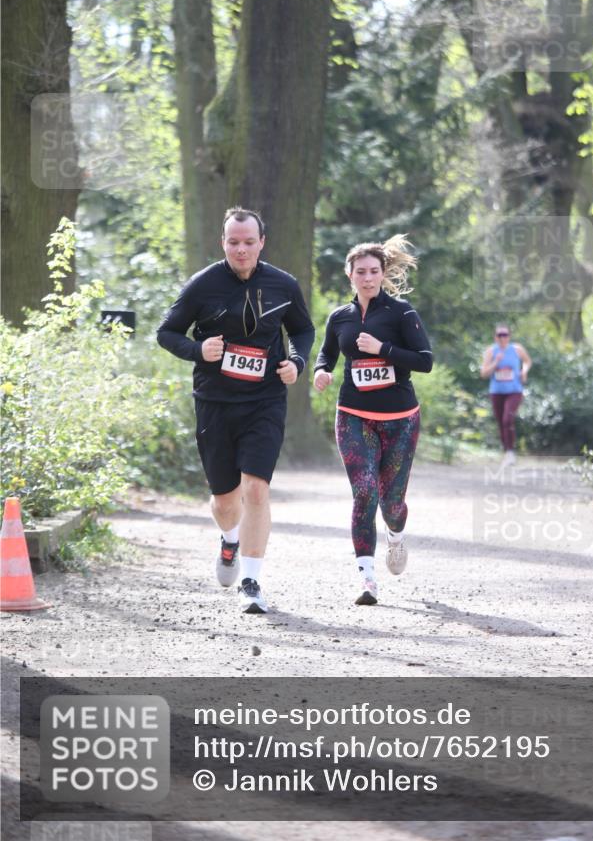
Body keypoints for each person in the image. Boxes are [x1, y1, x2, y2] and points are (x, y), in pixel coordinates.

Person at [157, 208, 315, 615]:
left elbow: (302, 328)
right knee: (225, 501)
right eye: (233, 242)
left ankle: (252, 580)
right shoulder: (202, 285)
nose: (241, 249)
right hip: (215, 402)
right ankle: (229, 539)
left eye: (248, 242)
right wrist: (198, 350)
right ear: (222, 242)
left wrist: (296, 362)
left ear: (262, 242)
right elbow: (167, 332)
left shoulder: (283, 284)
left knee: (256, 489)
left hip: (264, 400)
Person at [313, 235, 433, 606]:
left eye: (374, 272)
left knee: (392, 503)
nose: (368, 278)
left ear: (383, 274)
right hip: (353, 416)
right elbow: (326, 355)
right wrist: (321, 372)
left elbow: (425, 360)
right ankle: (367, 579)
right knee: (365, 491)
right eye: (360, 272)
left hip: (400, 419)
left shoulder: (401, 312)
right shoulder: (340, 317)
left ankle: (395, 536)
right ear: (349, 275)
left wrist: (383, 350)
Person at [480, 324, 532, 465]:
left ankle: (510, 452)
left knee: (507, 419)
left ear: (509, 336)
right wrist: (495, 363)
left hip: (514, 390)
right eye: (500, 335)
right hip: (497, 391)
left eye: (505, 335)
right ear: (495, 337)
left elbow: (527, 361)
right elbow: (484, 373)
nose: (503, 338)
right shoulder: (491, 351)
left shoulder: (517, 349)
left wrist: (524, 370)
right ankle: (507, 452)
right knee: (500, 422)